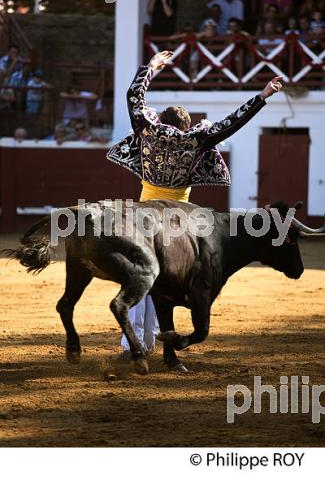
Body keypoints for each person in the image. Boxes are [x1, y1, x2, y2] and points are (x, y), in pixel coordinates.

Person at [107, 51, 283, 364]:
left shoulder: (148, 130)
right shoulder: (196, 141)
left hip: (143, 216)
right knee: (179, 282)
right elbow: (232, 124)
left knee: (139, 280)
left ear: (162, 120)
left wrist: (151, 68)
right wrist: (263, 95)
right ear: (188, 125)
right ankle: (171, 345)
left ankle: (131, 345)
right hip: (179, 224)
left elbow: (133, 96)